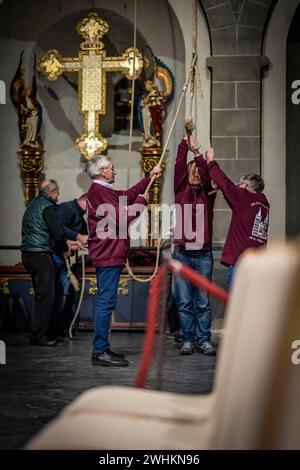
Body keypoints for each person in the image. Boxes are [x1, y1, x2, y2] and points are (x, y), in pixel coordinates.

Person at [86, 155, 162, 367]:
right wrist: (142, 202)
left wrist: (149, 178)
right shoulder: (100, 192)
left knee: (106, 302)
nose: (115, 171)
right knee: (106, 303)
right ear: (102, 171)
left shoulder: (102, 191)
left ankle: (102, 348)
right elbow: (123, 218)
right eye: (111, 168)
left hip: (109, 253)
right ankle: (99, 351)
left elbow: (126, 195)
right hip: (108, 254)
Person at [172, 119, 216, 356]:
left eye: (199, 172)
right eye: (192, 172)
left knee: (202, 301)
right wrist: (184, 140)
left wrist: (198, 154)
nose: (196, 175)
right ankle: (188, 338)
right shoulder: (180, 190)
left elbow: (208, 175)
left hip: (204, 255)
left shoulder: (209, 194)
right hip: (182, 254)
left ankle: (204, 339)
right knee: (185, 301)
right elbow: (179, 164)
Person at [206, 148, 270, 290]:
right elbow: (237, 205)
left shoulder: (245, 197)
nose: (238, 187)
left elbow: (226, 183)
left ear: (246, 186)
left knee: (236, 305)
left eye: (241, 185)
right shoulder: (263, 204)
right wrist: (225, 191)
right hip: (258, 265)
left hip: (241, 264)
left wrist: (211, 161)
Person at [21, 180, 72, 346]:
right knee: (46, 297)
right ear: (52, 192)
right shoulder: (47, 207)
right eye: (57, 192)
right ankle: (39, 336)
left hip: (28, 254)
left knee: (41, 295)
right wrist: (65, 248)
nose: (58, 196)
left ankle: (39, 331)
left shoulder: (34, 204)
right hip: (40, 255)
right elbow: (57, 233)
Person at [52, 194, 88, 336]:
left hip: (62, 256)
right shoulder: (67, 209)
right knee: (61, 291)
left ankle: (61, 326)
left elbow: (86, 235)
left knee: (65, 291)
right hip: (56, 255)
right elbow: (58, 228)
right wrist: (77, 238)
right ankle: (56, 328)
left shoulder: (79, 215)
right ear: (85, 201)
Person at [140, 80, 164, 148]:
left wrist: (149, 104)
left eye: (146, 86)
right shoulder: (149, 94)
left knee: (151, 126)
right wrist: (144, 103)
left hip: (152, 113)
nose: (146, 87)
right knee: (147, 127)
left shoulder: (155, 93)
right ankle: (149, 139)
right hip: (147, 112)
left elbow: (158, 104)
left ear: (150, 85)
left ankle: (153, 139)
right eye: (145, 86)